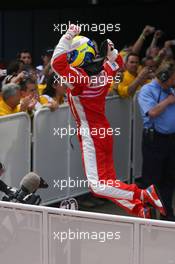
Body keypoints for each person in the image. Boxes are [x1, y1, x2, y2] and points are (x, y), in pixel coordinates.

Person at [51, 24, 166, 219]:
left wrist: (69, 34)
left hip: (91, 135)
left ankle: (143, 194)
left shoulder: (79, 80)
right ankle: (138, 208)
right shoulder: (105, 72)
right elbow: (118, 62)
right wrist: (111, 52)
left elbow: (56, 63)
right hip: (104, 131)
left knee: (98, 186)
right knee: (109, 182)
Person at [138, 60, 175, 221]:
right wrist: (168, 101)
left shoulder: (171, 89)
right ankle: (149, 215)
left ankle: (167, 213)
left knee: (169, 178)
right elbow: (152, 112)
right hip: (154, 140)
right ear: (165, 76)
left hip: (171, 141)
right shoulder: (147, 91)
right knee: (152, 180)